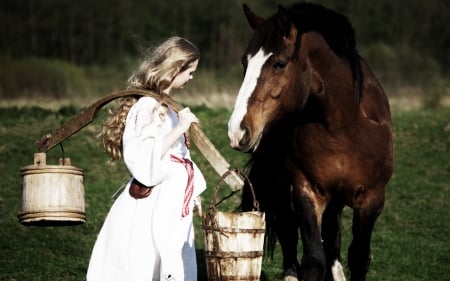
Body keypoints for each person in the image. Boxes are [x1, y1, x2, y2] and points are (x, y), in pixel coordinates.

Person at [86, 36, 206, 281]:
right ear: (175, 69)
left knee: (173, 257)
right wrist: (179, 129)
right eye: (190, 72)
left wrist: (193, 194)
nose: (192, 78)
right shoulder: (147, 106)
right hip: (152, 202)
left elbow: (181, 157)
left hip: (172, 200)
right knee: (145, 259)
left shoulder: (169, 106)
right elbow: (139, 153)